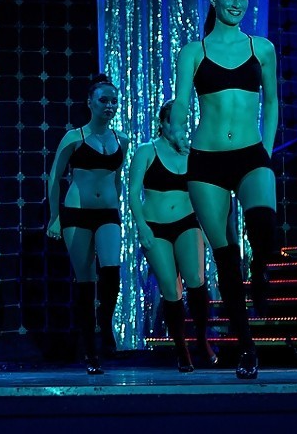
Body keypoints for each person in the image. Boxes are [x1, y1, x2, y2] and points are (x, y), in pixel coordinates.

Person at [170, 0, 278, 380]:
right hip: (207, 160)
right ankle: (247, 348)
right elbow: (181, 101)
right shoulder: (193, 51)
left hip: (251, 154)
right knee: (226, 258)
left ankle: (261, 266)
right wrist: (177, 126)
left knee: (263, 228)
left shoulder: (261, 48)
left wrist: (267, 147)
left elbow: (273, 101)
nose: (237, 3)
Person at [47, 73, 129, 375]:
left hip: (107, 212)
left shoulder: (121, 140)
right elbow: (54, 177)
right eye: (103, 100)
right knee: (85, 281)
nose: (110, 106)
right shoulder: (74, 137)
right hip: (77, 213)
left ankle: (104, 324)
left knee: (111, 271)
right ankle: (90, 351)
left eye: (114, 101)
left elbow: (117, 178)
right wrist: (55, 217)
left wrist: (117, 205)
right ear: (90, 103)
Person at [128, 100, 218, 372]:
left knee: (196, 279)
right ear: (163, 122)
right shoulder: (147, 150)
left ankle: (201, 339)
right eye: (173, 121)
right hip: (156, 225)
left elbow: (206, 191)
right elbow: (133, 192)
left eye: (183, 122)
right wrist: (141, 226)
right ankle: (181, 349)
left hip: (187, 222)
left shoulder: (192, 153)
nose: (179, 127)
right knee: (171, 288)